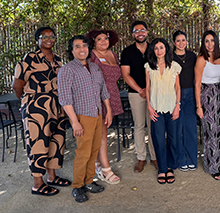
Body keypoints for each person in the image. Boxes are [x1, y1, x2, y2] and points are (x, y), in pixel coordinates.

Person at [12, 26, 70, 196]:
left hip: (57, 107)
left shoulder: (58, 59)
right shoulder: (29, 58)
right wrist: (29, 100)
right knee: (38, 143)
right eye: (44, 37)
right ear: (37, 40)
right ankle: (38, 183)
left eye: (51, 36)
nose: (49, 39)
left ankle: (52, 177)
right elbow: (17, 85)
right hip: (36, 109)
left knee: (56, 141)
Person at [58, 35, 113, 202]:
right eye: (77, 46)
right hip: (82, 117)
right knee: (83, 152)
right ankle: (77, 186)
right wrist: (75, 122)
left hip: (97, 114)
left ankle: (89, 181)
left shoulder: (95, 68)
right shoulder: (67, 70)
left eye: (84, 46)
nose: (82, 49)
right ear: (72, 50)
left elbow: (103, 91)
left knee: (94, 150)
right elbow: (65, 98)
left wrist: (108, 111)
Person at [85, 29, 123, 184]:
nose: (103, 41)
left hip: (111, 95)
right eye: (99, 39)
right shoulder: (91, 55)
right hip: (97, 97)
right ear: (93, 41)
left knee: (101, 131)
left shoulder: (113, 55)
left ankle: (96, 164)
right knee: (101, 132)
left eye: (105, 38)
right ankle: (106, 169)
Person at [121, 21, 158, 173]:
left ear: (147, 32)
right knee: (139, 126)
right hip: (136, 94)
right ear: (132, 34)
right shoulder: (127, 52)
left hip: (155, 94)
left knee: (153, 126)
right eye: (137, 31)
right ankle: (141, 158)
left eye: (143, 30)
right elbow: (125, 75)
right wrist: (140, 90)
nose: (140, 33)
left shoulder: (155, 49)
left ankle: (155, 157)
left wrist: (149, 91)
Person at [145, 38, 181, 184]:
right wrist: (149, 106)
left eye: (161, 47)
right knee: (158, 139)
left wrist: (178, 105)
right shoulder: (149, 66)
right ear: (153, 51)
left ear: (166, 49)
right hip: (156, 108)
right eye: (156, 48)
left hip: (172, 107)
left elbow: (178, 87)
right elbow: (147, 88)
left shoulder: (174, 66)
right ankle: (162, 169)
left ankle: (170, 167)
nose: (159, 51)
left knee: (173, 138)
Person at [195, 30, 220, 180]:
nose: (209, 44)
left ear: (216, 41)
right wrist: (198, 106)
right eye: (206, 41)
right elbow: (196, 84)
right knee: (210, 131)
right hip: (206, 95)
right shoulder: (201, 59)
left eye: (212, 40)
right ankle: (211, 166)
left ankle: (219, 160)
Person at [172, 30, 198, 172]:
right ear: (174, 42)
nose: (181, 43)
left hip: (191, 94)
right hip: (175, 95)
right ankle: (181, 159)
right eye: (178, 40)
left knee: (190, 128)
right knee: (177, 128)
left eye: (183, 40)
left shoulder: (192, 56)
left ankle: (192, 159)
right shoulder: (169, 57)